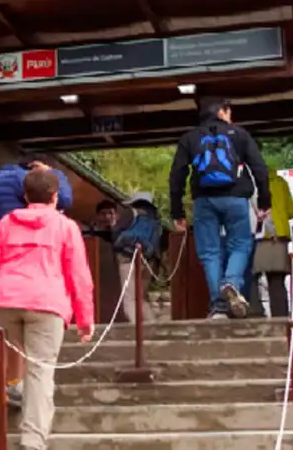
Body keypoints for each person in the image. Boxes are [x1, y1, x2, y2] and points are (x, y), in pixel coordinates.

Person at [0, 169, 94, 450]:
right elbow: (79, 276)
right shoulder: (66, 227)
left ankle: (14, 392)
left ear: (25, 196)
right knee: (41, 372)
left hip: (6, 300)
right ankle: (33, 441)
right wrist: (85, 319)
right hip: (46, 303)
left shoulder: (5, 223)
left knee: (19, 358)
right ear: (56, 196)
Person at [0, 159, 73, 406]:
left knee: (5, 332)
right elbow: (63, 198)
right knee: (22, 339)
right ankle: (13, 386)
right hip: (28, 264)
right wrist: (50, 172)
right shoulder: (24, 181)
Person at [169, 97, 271, 319]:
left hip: (204, 201)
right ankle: (232, 282)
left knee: (209, 253)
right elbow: (259, 168)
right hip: (235, 199)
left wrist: (177, 211)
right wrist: (265, 201)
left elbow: (177, 175)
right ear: (223, 112)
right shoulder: (239, 134)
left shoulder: (190, 138)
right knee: (241, 244)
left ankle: (219, 307)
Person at [243, 162, 293, 318]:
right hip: (278, 237)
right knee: (277, 281)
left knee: (251, 278)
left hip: (256, 235)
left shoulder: (247, 183)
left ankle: (255, 313)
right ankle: (281, 317)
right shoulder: (280, 182)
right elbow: (290, 212)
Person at [112, 193, 163, 324]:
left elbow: (116, 235)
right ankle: (153, 325)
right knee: (140, 298)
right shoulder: (155, 220)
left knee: (129, 299)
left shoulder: (130, 213)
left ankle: (135, 330)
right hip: (147, 261)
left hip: (127, 259)